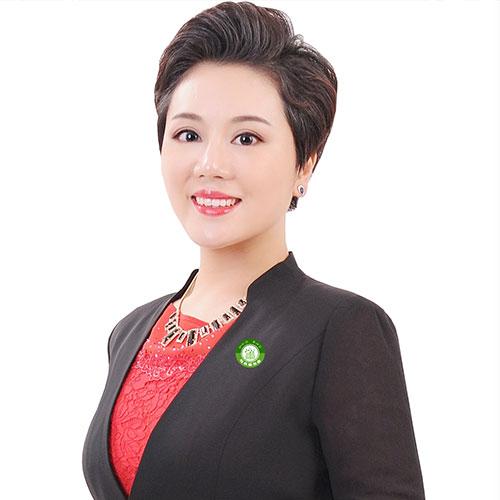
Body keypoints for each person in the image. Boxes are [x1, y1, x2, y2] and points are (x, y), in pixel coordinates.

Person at [82, 2, 426, 499]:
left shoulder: (339, 329)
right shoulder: (130, 332)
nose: (210, 164)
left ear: (304, 164)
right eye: (188, 134)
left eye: (246, 137)